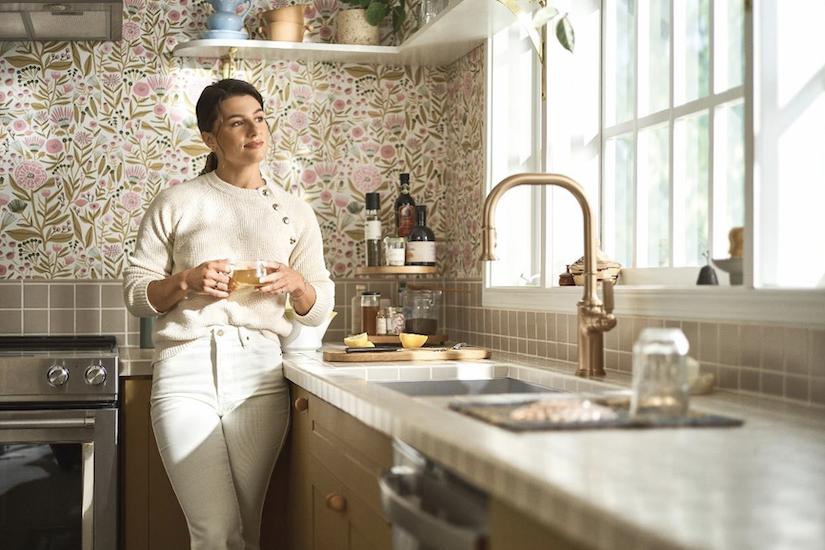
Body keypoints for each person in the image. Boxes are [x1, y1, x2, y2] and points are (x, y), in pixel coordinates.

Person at [123, 78, 334, 550]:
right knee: (215, 531)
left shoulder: (295, 212)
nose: (255, 131)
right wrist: (186, 281)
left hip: (260, 374)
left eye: (259, 118)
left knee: (245, 529)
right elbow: (137, 294)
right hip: (185, 370)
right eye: (237, 123)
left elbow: (318, 307)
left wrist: (297, 284)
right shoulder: (177, 202)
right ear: (210, 139)